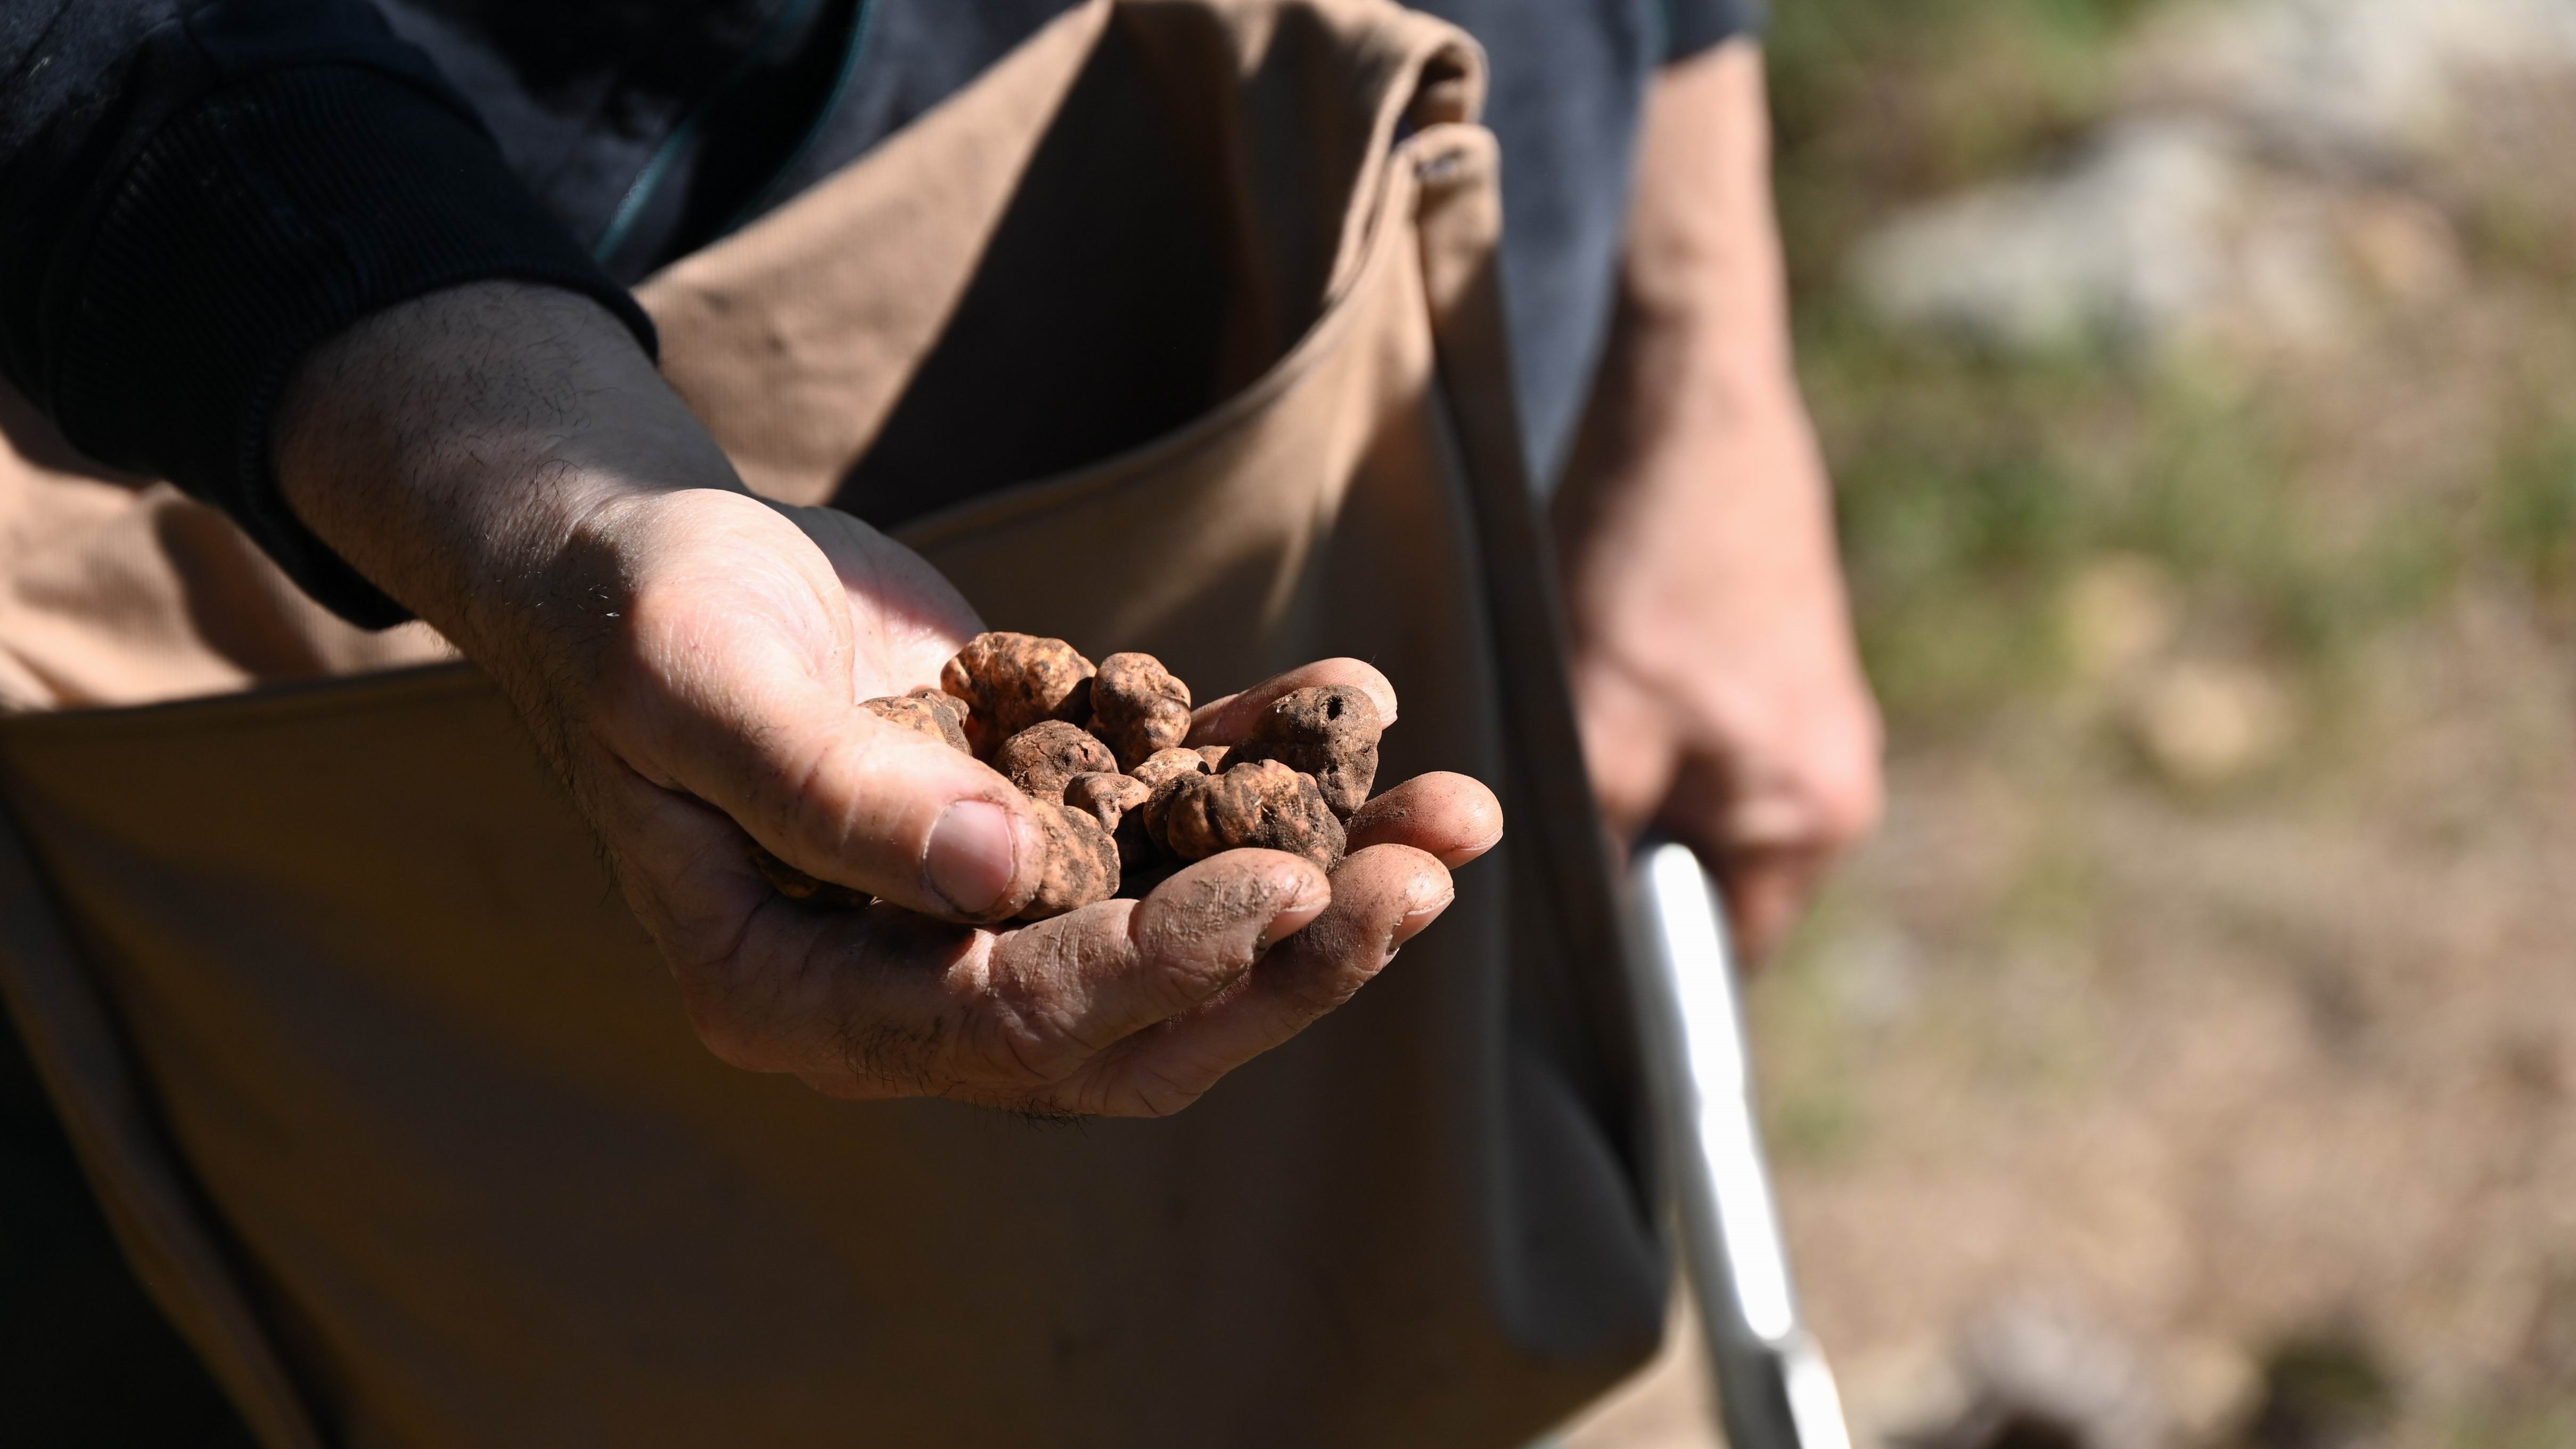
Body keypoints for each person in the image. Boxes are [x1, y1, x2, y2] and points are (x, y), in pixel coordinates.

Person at [1, 0, 1879, 1435]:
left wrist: (1700, 345)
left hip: (1418, 192)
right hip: (444, 360)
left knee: (1406, 1275)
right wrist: (549, 503)